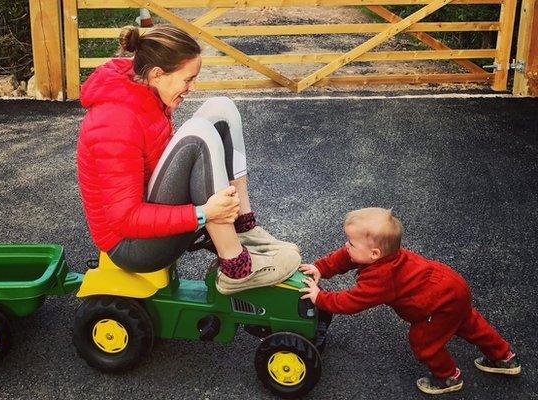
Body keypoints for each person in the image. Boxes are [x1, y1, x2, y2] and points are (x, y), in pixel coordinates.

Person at [76, 24, 300, 295]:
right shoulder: (114, 122)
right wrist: (204, 213)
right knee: (198, 136)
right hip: (133, 246)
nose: (193, 87)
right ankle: (236, 269)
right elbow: (125, 219)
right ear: (158, 74)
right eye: (187, 79)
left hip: (150, 215)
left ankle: (243, 228)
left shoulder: (146, 88)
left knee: (221, 109)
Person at [299, 207, 521, 395]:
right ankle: (504, 357)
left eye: (350, 243)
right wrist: (320, 267)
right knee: (469, 323)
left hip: (437, 303)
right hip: (453, 286)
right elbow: (345, 257)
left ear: (374, 254)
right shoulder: (382, 254)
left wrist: (321, 298)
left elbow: (352, 301)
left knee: (424, 341)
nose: (346, 246)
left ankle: (448, 377)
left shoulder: (382, 277)